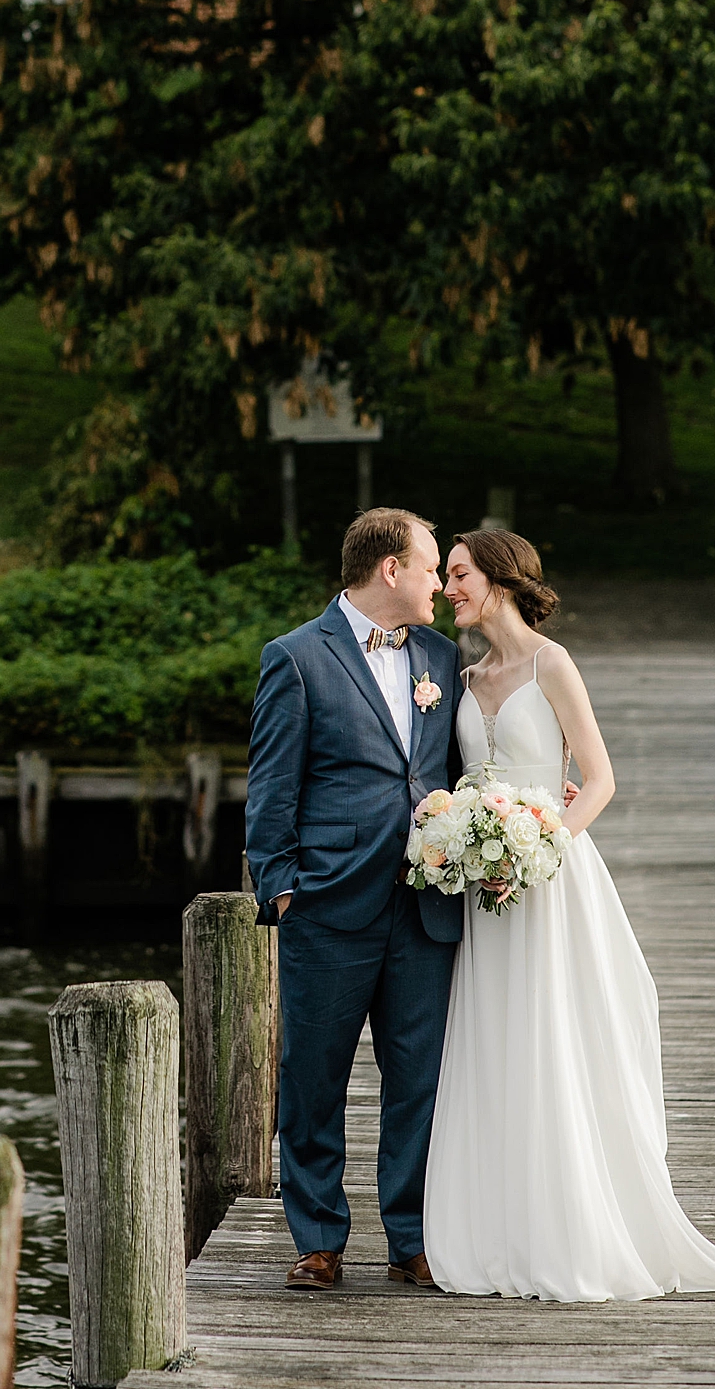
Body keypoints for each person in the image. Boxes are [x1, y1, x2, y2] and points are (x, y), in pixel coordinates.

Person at [423, 527, 715, 1301]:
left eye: (457, 574)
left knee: (554, 1037)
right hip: (485, 892)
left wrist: (539, 848)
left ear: (501, 579)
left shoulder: (552, 665)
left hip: (547, 877)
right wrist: (460, 839)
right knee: (493, 1042)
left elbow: (602, 778)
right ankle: (493, 1234)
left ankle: (570, 1227)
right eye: (445, 574)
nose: (446, 587)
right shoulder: (461, 671)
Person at [245, 507, 463, 1291]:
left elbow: (457, 770)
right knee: (313, 1078)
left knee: (420, 1077)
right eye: (431, 567)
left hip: (423, 906)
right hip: (328, 907)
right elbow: (270, 790)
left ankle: (411, 1237)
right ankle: (320, 1239)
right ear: (390, 570)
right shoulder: (297, 659)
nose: (439, 581)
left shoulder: (440, 654)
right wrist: (281, 890)